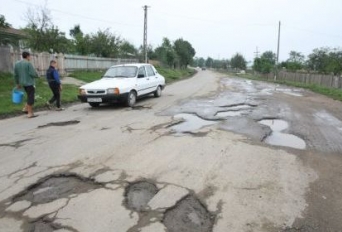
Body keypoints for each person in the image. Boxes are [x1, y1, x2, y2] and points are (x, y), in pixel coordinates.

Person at [14, 51, 39, 118]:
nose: (30, 57)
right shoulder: (28, 63)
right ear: (27, 56)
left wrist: (17, 83)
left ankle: (25, 108)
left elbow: (16, 75)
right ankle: (30, 113)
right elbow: (32, 73)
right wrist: (37, 75)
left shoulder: (17, 64)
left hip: (22, 83)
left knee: (29, 96)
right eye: (30, 56)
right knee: (31, 97)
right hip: (29, 83)